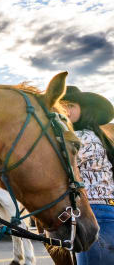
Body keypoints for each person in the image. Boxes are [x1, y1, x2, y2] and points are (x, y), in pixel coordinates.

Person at [61, 86, 114, 264]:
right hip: (104, 212)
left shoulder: (82, 137)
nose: (65, 111)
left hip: (95, 213)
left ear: (84, 109)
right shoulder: (95, 136)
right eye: (60, 106)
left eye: (70, 105)